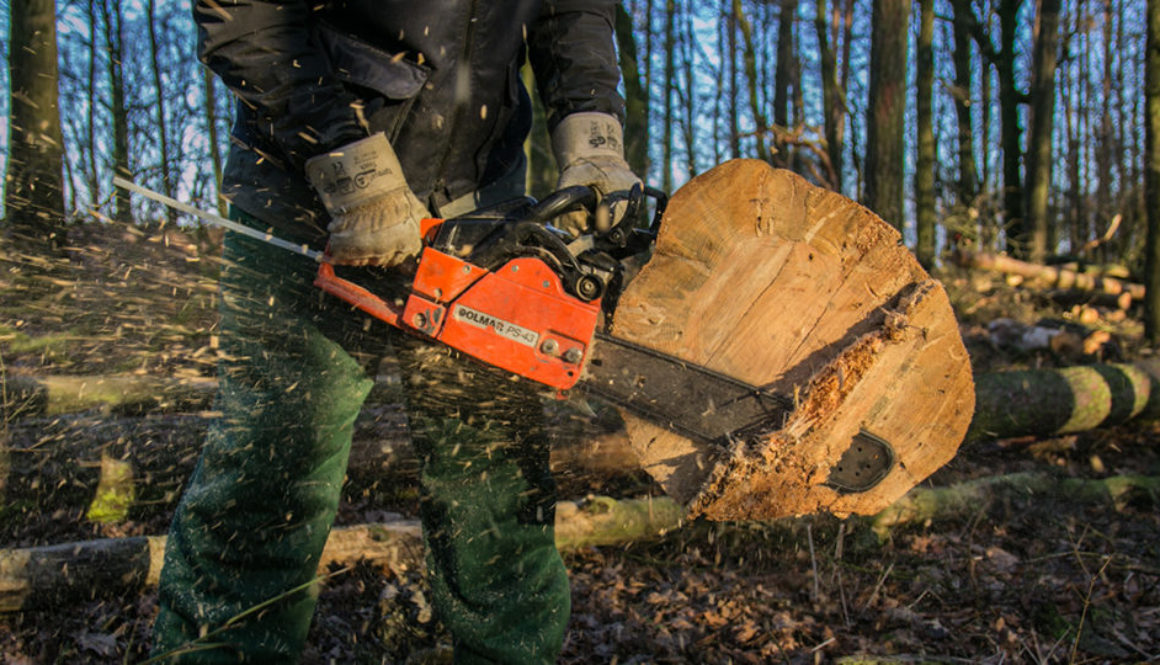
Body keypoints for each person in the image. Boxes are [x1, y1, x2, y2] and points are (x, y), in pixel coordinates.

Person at [150, 1, 641, 662]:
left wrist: (593, 134)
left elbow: (571, 8)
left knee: (495, 487)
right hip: (306, 194)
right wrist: (338, 149)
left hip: (482, 204)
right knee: (268, 477)